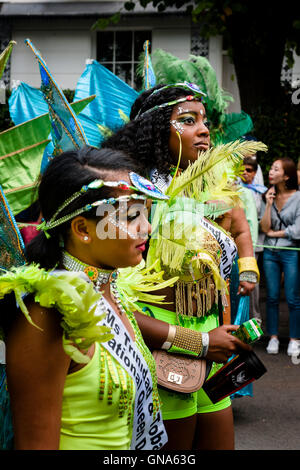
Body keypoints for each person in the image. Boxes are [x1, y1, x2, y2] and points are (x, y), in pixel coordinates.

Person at [102, 83, 263, 450]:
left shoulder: (204, 190)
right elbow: (108, 300)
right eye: (187, 121)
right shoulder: (125, 193)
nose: (204, 130)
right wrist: (200, 342)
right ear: (158, 129)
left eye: (204, 121)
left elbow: (220, 270)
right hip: (161, 351)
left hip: (213, 353)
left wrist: (224, 332)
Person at [260, 157, 300, 356]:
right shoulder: (269, 195)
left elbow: (298, 230)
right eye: (271, 168)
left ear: (286, 175)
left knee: (292, 297)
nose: (271, 172)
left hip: (290, 252)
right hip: (270, 252)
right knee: (272, 296)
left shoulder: (298, 197)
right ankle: (273, 337)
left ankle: (294, 339)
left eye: (276, 169)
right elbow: (264, 227)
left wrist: (276, 234)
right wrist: (268, 204)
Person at [241, 156, 268, 324]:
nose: (245, 172)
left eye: (249, 170)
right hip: (239, 242)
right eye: (242, 169)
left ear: (255, 173)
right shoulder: (235, 190)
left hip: (255, 243)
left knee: (252, 283)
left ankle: (254, 319)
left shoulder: (261, 192)